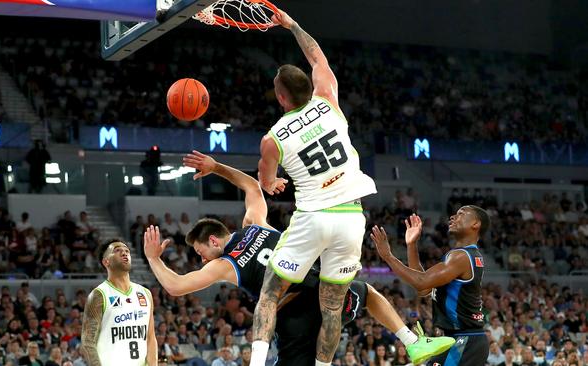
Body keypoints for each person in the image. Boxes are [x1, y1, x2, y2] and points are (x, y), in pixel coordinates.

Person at [144, 151, 453, 366]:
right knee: (368, 293)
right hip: (322, 292)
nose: (201, 259)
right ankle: (412, 342)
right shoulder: (255, 225)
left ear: (212, 241)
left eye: (200, 252)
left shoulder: (224, 264)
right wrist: (217, 168)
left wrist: (154, 259)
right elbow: (251, 185)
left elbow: (176, 286)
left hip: (296, 318)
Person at [253, 10, 378, 366]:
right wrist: (291, 25)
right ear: (309, 86)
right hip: (352, 217)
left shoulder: (272, 138)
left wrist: (275, 182)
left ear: (280, 98)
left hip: (313, 217)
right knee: (333, 307)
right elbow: (316, 55)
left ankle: (255, 363)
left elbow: (266, 182)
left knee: (269, 293)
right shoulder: (328, 99)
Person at [370, 207, 491, 366]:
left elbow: (421, 281)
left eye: (461, 214)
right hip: (459, 339)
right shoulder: (463, 255)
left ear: (476, 224)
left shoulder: (461, 256)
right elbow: (424, 289)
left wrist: (388, 257)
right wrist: (412, 245)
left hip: (464, 340)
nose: (453, 217)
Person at [81, 239, 157, 366]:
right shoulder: (99, 294)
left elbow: (150, 337)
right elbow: (88, 342)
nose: (124, 253)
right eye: (117, 251)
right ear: (106, 262)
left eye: (127, 251)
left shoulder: (145, 293)